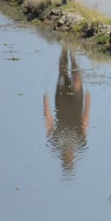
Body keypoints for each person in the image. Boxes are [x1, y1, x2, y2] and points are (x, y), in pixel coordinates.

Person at [44, 46, 91, 179]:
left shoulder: (56, 145)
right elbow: (84, 124)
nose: (69, 156)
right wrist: (88, 104)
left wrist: (46, 106)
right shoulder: (79, 144)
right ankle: (65, 52)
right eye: (69, 159)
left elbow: (49, 124)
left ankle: (72, 55)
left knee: (72, 76)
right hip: (67, 106)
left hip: (67, 106)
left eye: (68, 159)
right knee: (64, 74)